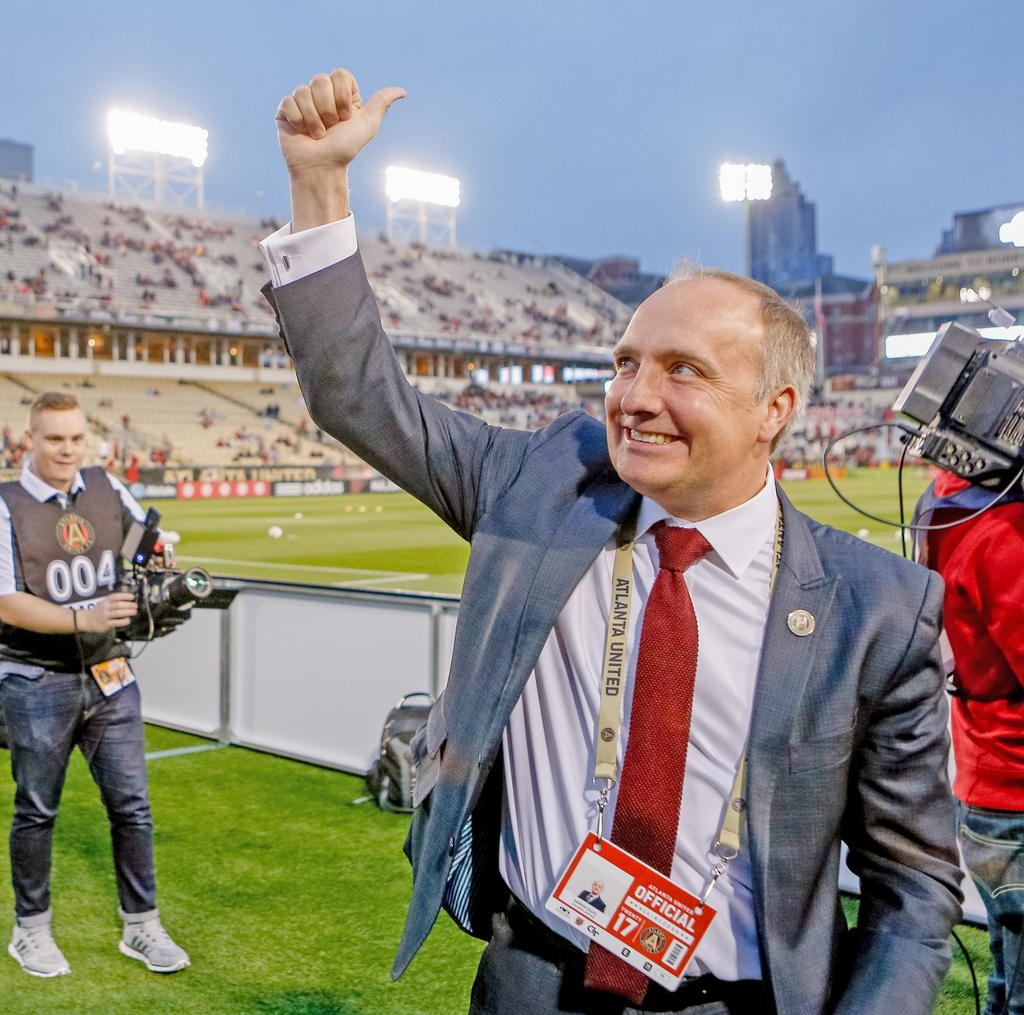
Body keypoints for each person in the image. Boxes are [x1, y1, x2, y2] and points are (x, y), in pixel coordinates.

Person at [260, 68, 963, 1015]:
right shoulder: (543, 487)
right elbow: (356, 394)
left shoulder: (877, 607)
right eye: (626, 363)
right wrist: (319, 185)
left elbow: (913, 887)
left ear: (775, 411)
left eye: (684, 371)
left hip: (740, 999)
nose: (635, 397)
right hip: (533, 979)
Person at [0, 392, 189, 978]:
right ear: (29, 439)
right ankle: (31, 931)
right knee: (36, 811)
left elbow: (148, 542)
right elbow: (5, 602)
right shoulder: (5, 504)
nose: (67, 449)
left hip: (111, 674)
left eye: (77, 438)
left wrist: (162, 560)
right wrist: (83, 617)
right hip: (35, 678)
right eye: (55, 439)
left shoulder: (108, 486)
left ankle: (142, 927)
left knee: (132, 807)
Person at [917, 469, 1024, 1015]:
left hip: (988, 780)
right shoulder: (1005, 527)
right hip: (1015, 793)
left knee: (1007, 986)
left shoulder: (955, 497)